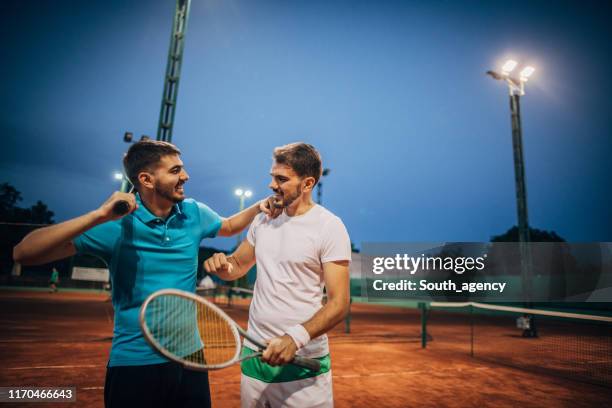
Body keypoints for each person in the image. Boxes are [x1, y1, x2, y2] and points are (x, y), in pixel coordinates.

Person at [13, 140, 277, 408]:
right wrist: (98, 215)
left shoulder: (193, 213)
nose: (185, 176)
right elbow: (24, 253)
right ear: (146, 179)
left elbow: (230, 225)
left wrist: (258, 206)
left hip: (191, 360)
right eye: (175, 171)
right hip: (134, 363)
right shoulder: (116, 226)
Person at [204, 142, 351, 408]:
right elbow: (236, 265)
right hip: (255, 360)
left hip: (303, 365)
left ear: (307, 184)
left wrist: (295, 338)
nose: (272, 185)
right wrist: (221, 264)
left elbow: (340, 303)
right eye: (272, 176)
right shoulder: (263, 219)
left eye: (281, 179)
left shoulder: (330, 227)